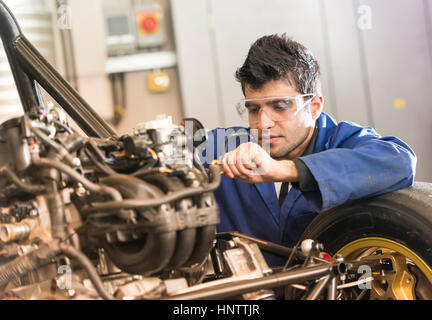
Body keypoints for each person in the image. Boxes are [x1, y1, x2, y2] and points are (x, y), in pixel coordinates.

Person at [200, 33, 416, 267]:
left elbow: (399, 162)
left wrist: (286, 170)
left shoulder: (341, 141)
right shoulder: (225, 147)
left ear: (314, 107)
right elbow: (171, 153)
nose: (263, 124)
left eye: (279, 107)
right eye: (253, 109)